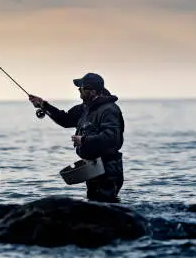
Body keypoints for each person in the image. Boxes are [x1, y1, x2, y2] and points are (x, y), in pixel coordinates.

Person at [28, 72, 125, 202]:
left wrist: (84, 140)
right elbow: (65, 120)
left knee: (106, 210)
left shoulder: (109, 110)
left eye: (82, 88)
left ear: (93, 91)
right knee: (95, 209)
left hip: (108, 170)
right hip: (93, 169)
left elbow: (112, 138)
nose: (79, 91)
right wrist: (43, 105)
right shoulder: (85, 108)